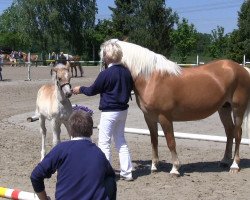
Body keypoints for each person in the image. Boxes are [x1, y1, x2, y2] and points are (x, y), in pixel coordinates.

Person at [72, 42, 134, 181]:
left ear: (107, 56)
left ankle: (106, 173)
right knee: (120, 141)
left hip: (109, 112)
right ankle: (127, 172)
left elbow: (92, 90)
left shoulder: (105, 73)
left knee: (104, 142)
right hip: (123, 111)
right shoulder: (126, 72)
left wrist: (80, 89)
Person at [30, 110, 117, 200]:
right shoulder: (99, 153)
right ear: (91, 131)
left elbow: (35, 176)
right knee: (110, 180)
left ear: (70, 131)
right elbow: (111, 178)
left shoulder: (61, 149)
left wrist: (43, 199)